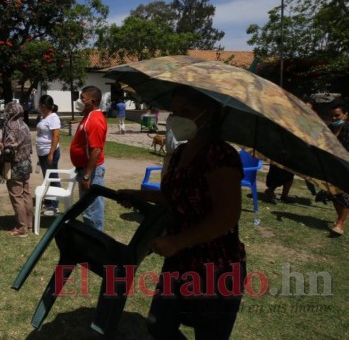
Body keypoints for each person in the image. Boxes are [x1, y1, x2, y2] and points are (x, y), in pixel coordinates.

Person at [118, 85, 246, 340]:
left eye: (185, 111)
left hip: (215, 264)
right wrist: (140, 195)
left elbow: (227, 216)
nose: (176, 118)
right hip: (180, 261)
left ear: (209, 114)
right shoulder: (179, 153)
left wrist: (178, 241)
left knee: (209, 333)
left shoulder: (221, 155)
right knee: (159, 324)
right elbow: (175, 197)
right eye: (174, 111)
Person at [70, 85, 107, 231]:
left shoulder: (95, 120)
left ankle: (98, 245)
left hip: (91, 172)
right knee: (87, 210)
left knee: (93, 212)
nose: (79, 101)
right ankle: (92, 241)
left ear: (91, 101)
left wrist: (87, 176)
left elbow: (96, 150)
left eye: (82, 98)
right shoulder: (88, 117)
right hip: (84, 170)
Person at [0, 102, 33, 238]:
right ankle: (29, 223)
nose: (6, 113)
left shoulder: (11, 126)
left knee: (17, 195)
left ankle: (21, 228)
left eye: (7, 111)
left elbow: (9, 150)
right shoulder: (24, 125)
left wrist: (1, 145)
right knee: (26, 194)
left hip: (14, 165)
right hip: (26, 164)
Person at [35, 95, 61, 215]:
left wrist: (51, 153)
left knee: (53, 177)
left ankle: (54, 205)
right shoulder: (44, 116)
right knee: (47, 178)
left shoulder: (53, 117)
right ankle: (49, 201)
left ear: (43, 105)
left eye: (40, 103)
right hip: (42, 152)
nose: (38, 106)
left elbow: (56, 136)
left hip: (50, 152)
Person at [327, 102, 349, 236]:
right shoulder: (330, 128)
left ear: (346, 115)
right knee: (334, 194)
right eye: (332, 116)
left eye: (337, 115)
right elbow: (329, 145)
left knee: (346, 193)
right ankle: (340, 219)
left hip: (346, 165)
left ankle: (340, 224)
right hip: (333, 165)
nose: (334, 118)